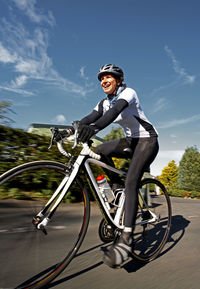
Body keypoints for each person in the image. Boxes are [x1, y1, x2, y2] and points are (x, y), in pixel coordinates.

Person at [62, 64, 159, 268]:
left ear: (118, 80)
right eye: (101, 78)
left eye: (109, 77)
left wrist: (93, 129)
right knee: (99, 151)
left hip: (147, 141)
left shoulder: (129, 93)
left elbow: (114, 112)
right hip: (130, 141)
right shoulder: (103, 102)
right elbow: (88, 119)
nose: (104, 81)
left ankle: (127, 240)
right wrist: (68, 132)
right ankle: (116, 188)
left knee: (132, 181)